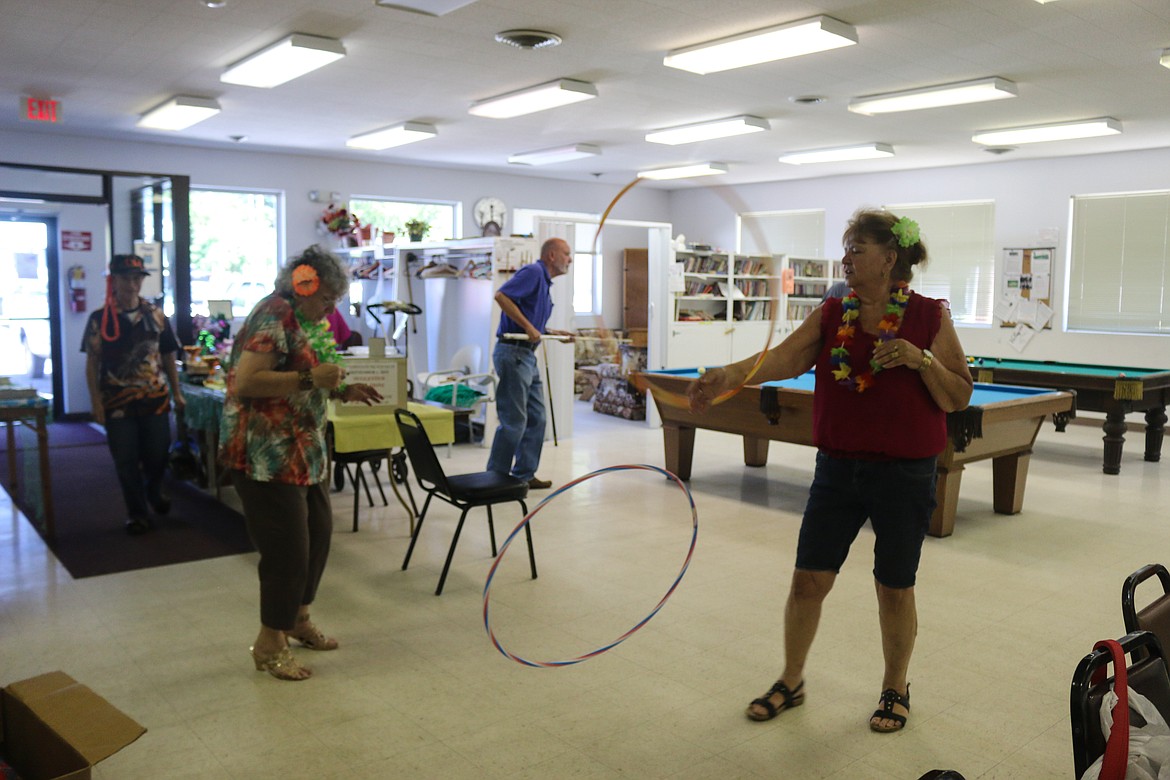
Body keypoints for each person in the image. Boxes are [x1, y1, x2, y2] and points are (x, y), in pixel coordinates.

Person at [688, 209, 973, 732]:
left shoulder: (929, 316)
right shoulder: (832, 311)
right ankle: (791, 680)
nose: (845, 259)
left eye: (856, 250)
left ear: (889, 260)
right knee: (806, 583)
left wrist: (919, 359)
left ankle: (895, 687)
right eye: (846, 250)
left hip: (904, 474)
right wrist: (728, 375)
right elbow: (785, 358)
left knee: (894, 587)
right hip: (838, 470)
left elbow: (959, 394)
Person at [220, 245, 382, 681]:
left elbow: (306, 375)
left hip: (302, 451)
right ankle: (269, 642)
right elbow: (248, 380)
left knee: (318, 535)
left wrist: (340, 390)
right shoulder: (273, 313)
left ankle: (298, 618)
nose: (330, 309)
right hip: (265, 455)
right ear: (303, 284)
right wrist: (313, 378)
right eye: (327, 299)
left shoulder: (307, 322)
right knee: (287, 550)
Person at [82, 253, 185, 535]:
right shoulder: (99, 319)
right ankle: (137, 513)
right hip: (116, 403)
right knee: (125, 460)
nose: (132, 284)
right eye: (126, 278)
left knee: (157, 454)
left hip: (155, 399)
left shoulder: (155, 315)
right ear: (113, 281)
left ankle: (153, 492)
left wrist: (177, 393)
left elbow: (168, 355)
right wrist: (95, 402)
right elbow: (92, 363)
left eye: (137, 278)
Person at [487, 237, 575, 490]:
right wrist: (528, 327)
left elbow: (532, 325)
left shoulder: (544, 283)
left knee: (537, 419)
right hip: (513, 353)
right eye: (566, 254)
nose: (569, 259)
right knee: (514, 422)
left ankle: (524, 474)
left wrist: (553, 333)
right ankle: (495, 477)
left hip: (526, 355)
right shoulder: (534, 272)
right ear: (551, 255)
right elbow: (501, 296)